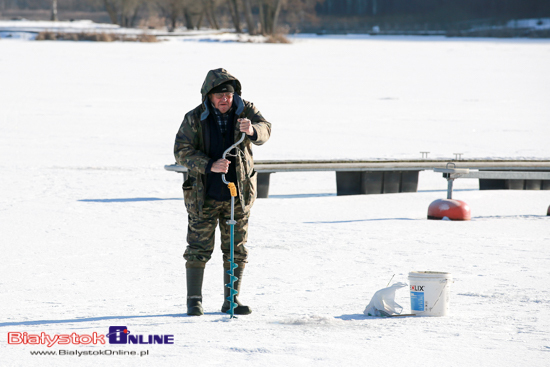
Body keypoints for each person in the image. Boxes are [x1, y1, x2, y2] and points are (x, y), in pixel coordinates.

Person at [174, 68, 271, 316]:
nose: (224, 99)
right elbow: (181, 151)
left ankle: (232, 300)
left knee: (236, 248)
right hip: (203, 195)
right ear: (208, 96)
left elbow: (265, 129)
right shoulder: (194, 118)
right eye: (218, 96)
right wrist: (209, 165)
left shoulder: (246, 109)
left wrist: (252, 130)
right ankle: (194, 301)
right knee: (198, 248)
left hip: (237, 195)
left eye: (228, 95)